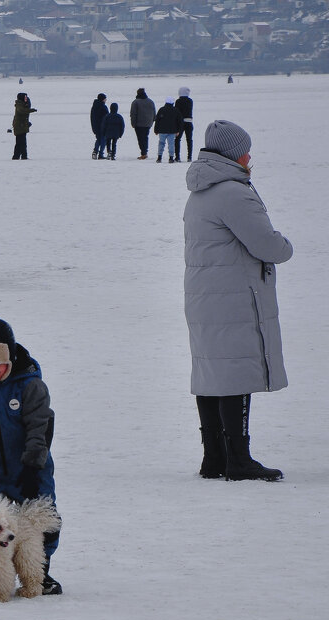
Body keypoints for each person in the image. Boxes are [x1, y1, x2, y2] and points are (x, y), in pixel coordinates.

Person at [183, 120, 294, 481]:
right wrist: (285, 245)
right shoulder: (233, 191)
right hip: (233, 296)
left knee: (212, 371)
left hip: (205, 295)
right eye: (246, 149)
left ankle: (214, 457)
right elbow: (267, 245)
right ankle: (239, 459)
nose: (250, 155)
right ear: (233, 153)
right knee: (233, 374)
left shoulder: (200, 189)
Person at [0, 318, 62, 595]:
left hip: (31, 468)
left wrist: (32, 467)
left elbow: (39, 429)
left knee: (39, 520)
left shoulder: (30, 387)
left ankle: (40, 573)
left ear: (10, 358)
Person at [129, 87, 155, 160]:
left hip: (139, 124)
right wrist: (152, 121)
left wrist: (133, 124)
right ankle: (145, 152)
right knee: (145, 138)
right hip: (148, 123)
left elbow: (133, 114)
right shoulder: (150, 101)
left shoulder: (135, 102)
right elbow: (154, 113)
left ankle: (143, 153)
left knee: (141, 139)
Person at [154, 97, 181, 163]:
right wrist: (178, 130)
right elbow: (179, 121)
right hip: (172, 131)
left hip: (162, 130)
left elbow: (157, 120)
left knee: (161, 143)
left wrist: (156, 130)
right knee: (171, 144)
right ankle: (171, 158)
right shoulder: (176, 110)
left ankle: (159, 157)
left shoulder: (161, 109)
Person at [11, 92, 35, 160]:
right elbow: (22, 111)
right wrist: (31, 110)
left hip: (22, 126)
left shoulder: (23, 104)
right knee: (22, 143)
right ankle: (23, 156)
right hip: (19, 127)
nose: (26, 98)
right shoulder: (19, 105)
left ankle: (16, 156)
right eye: (25, 97)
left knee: (19, 143)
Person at [175, 87, 194, 162]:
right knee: (189, 140)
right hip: (189, 122)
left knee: (177, 139)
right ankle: (189, 157)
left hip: (180, 122)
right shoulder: (190, 101)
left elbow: (176, 112)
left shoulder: (178, 101)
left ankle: (177, 157)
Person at [90, 93, 108, 159]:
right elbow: (106, 117)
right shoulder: (103, 107)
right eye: (105, 98)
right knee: (103, 140)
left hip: (95, 126)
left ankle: (95, 151)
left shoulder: (94, 106)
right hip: (102, 127)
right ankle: (101, 154)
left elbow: (92, 117)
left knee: (98, 139)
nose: (106, 100)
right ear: (103, 99)